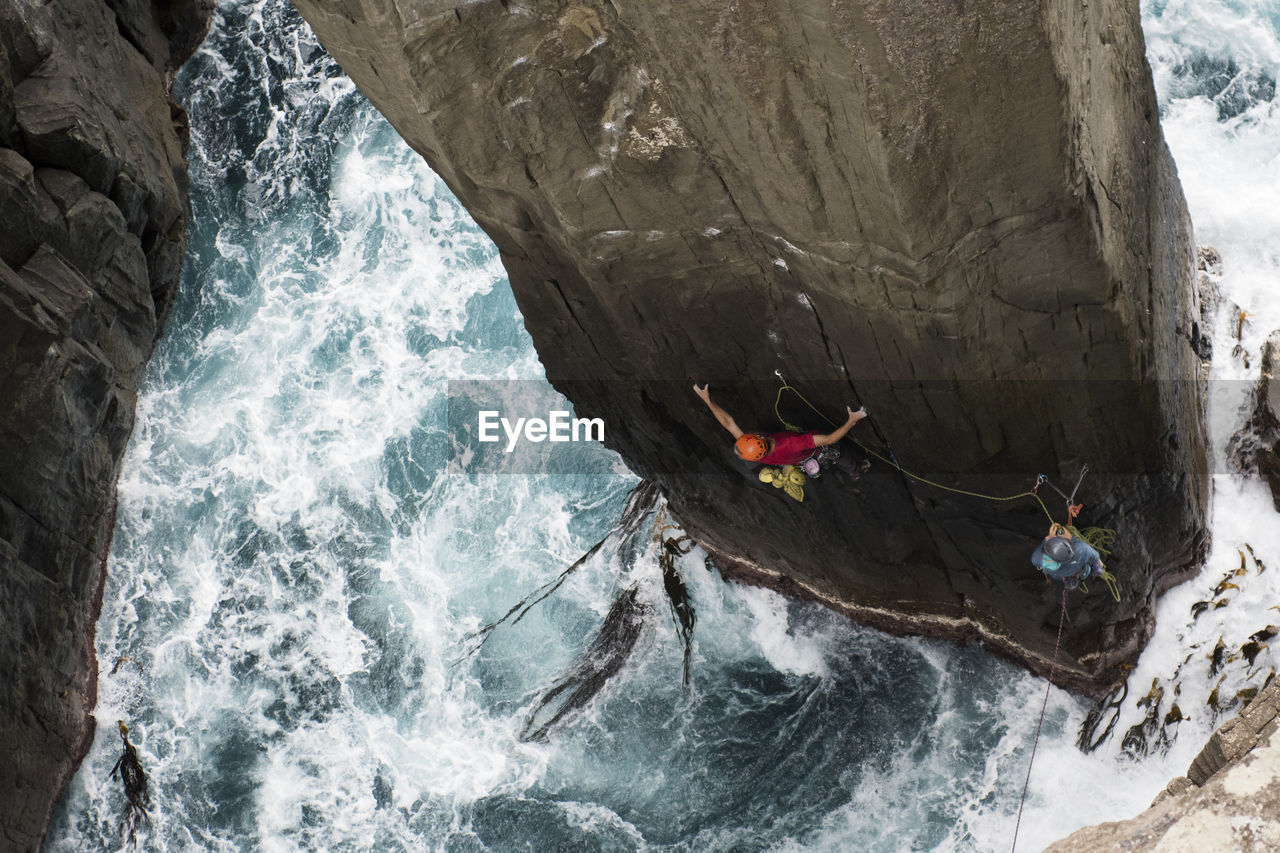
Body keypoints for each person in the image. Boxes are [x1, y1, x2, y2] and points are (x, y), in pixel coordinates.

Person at [692, 383, 869, 477]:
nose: (753, 433)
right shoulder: (791, 444)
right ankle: (858, 470)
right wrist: (852, 420)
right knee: (840, 454)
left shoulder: (754, 452)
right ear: (760, 441)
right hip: (811, 451)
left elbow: (728, 422)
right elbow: (830, 439)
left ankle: (855, 470)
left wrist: (708, 401)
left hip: (795, 458)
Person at [1031, 526, 1104, 590]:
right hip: (1077, 567)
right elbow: (1095, 556)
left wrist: (1048, 538)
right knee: (1086, 569)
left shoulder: (1039, 559)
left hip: (1062, 571)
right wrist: (1097, 566)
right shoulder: (1081, 549)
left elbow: (1036, 557)